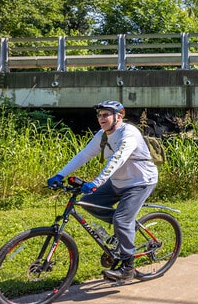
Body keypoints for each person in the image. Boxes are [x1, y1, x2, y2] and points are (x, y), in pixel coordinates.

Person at [47, 101, 158, 281]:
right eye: (99, 115)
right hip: (117, 182)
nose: (101, 118)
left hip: (140, 182)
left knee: (121, 219)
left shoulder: (129, 133)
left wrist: (97, 182)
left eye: (106, 114)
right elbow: (84, 155)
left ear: (119, 117)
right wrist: (60, 174)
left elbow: (118, 159)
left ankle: (128, 268)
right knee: (88, 202)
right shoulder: (102, 135)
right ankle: (125, 226)